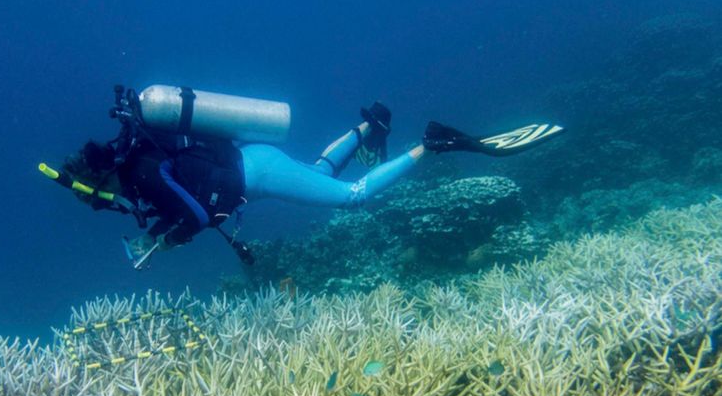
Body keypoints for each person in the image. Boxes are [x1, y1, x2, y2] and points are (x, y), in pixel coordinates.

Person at [53, 87, 563, 270]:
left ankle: (432, 143)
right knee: (319, 174)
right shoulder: (140, 155)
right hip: (254, 161)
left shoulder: (140, 173)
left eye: (93, 199)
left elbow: (194, 212)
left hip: (255, 171)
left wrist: (167, 241)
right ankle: (372, 123)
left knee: (354, 196)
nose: (100, 204)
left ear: (95, 182)